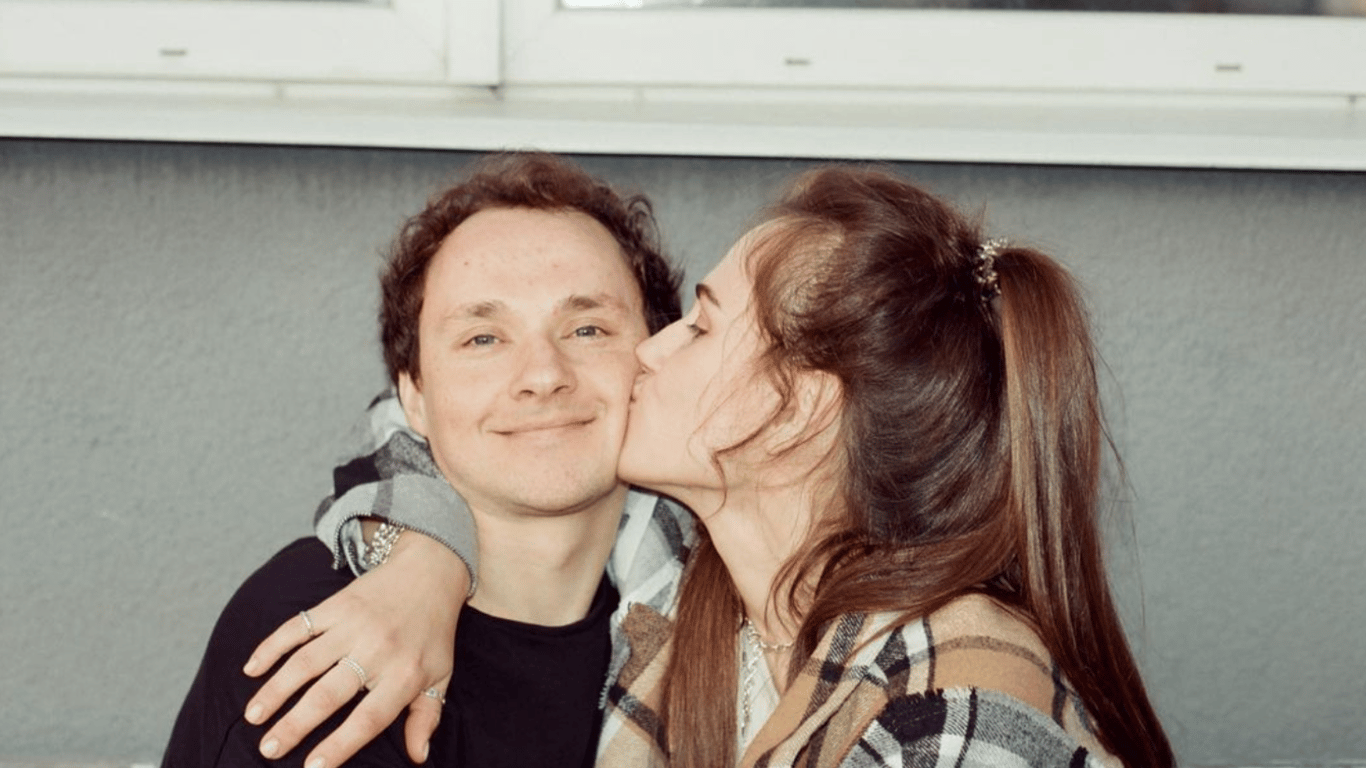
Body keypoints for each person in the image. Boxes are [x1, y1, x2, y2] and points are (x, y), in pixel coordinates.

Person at [254, 165, 1175, 767]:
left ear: (797, 407)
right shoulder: (682, 574)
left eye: (697, 326)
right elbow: (444, 419)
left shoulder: (953, 693)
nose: (647, 354)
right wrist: (421, 560)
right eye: (487, 337)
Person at [160, 151, 686, 768]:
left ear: (659, 358)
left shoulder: (717, 636)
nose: (544, 375)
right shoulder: (326, 627)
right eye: (483, 339)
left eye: (588, 329)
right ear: (413, 396)